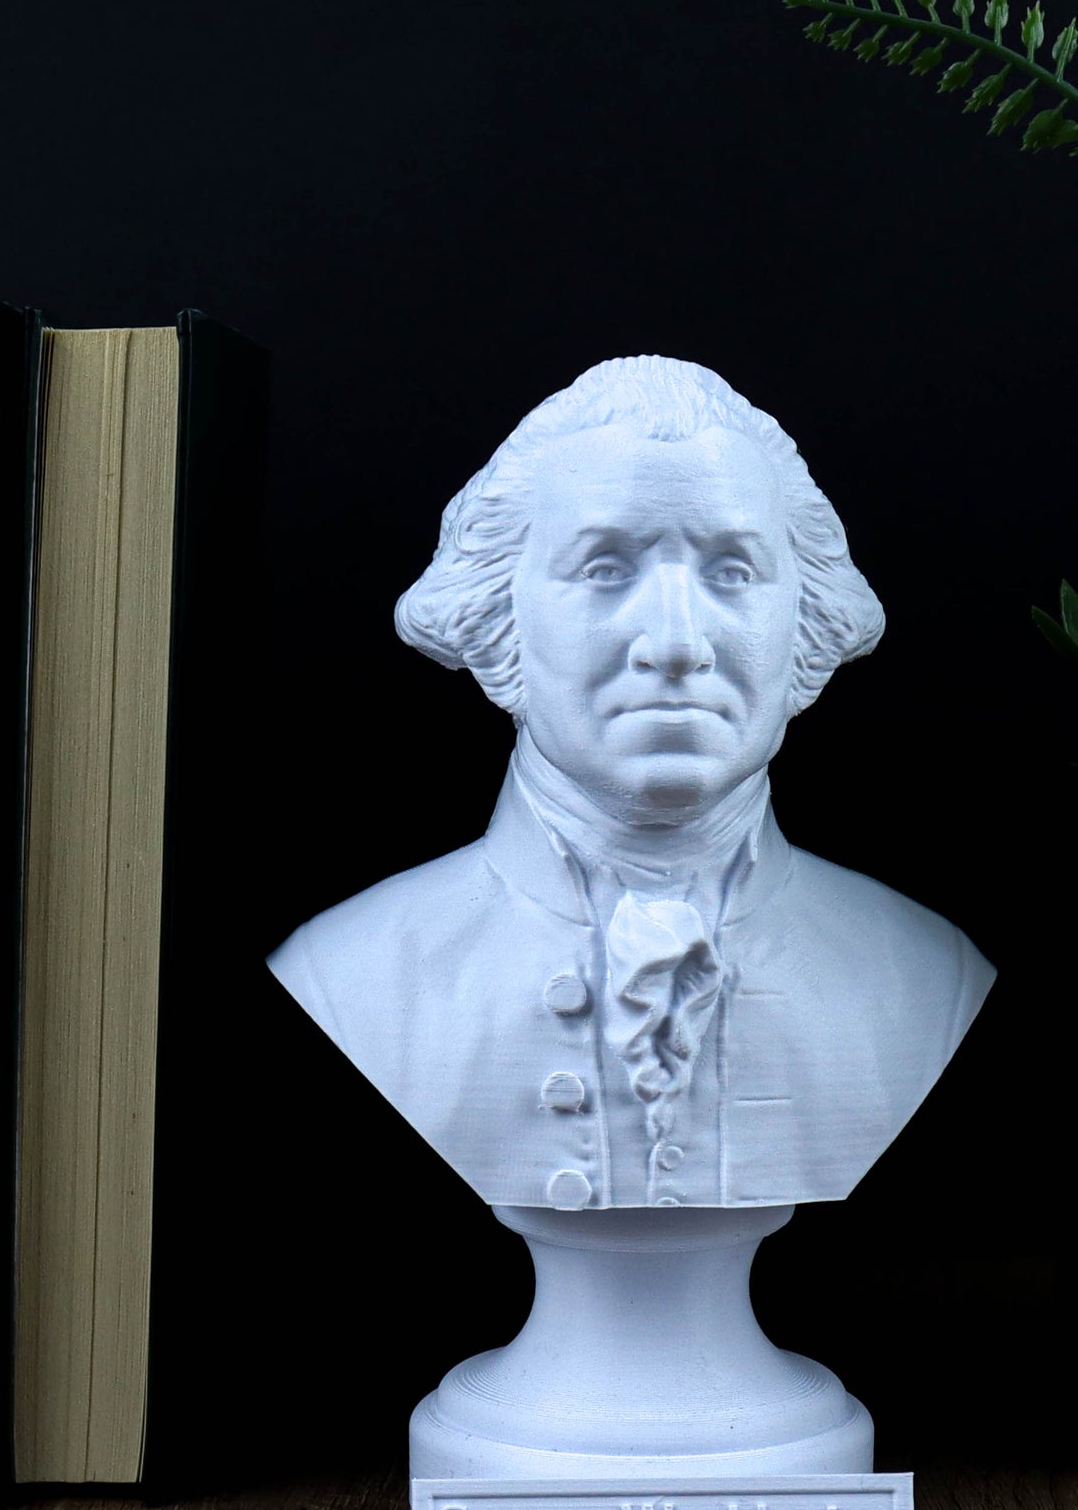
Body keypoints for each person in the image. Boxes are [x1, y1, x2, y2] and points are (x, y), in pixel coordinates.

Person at [269, 355, 993, 1210]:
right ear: (497, 611)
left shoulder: (922, 974)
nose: (678, 643)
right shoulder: (354, 971)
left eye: (732, 571)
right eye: (606, 569)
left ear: (808, 615)